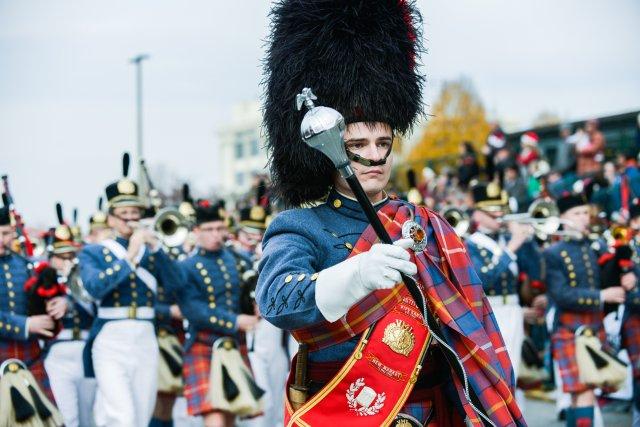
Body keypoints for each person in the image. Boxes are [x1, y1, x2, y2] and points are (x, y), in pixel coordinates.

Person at [257, 1, 524, 424]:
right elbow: (276, 302)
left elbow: (471, 319)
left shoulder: (426, 223)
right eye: (357, 147)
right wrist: (356, 274)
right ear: (328, 153)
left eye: (383, 144)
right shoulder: (300, 226)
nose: (374, 157)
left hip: (430, 406)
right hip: (345, 405)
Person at [78, 153, 181, 427]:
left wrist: (158, 249)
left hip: (146, 334)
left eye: (135, 214)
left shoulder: (152, 251)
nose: (131, 220)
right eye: (124, 215)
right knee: (120, 414)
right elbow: (93, 288)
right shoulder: (93, 252)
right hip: (111, 335)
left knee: (140, 412)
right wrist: (130, 256)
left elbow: (176, 285)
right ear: (110, 219)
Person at [544, 192, 632, 426]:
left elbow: (608, 277)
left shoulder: (597, 245)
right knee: (581, 392)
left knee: (583, 392)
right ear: (563, 217)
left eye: (585, 212)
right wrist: (600, 296)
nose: (583, 218)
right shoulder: (553, 253)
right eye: (576, 213)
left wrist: (623, 264)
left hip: (594, 324)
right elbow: (560, 294)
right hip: (569, 327)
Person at [178, 200, 259, 427]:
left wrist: (256, 305)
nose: (216, 235)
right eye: (209, 230)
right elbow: (193, 311)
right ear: (196, 231)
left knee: (230, 417)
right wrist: (235, 320)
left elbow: (249, 291)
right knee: (214, 419)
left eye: (219, 228)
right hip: (203, 345)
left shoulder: (238, 259)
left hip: (234, 344)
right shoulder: (187, 267)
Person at [465, 181, 541, 388]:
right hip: (490, 311)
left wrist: (530, 239)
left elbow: (535, 273)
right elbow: (483, 279)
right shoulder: (470, 244)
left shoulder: (508, 239)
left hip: (514, 309)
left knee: (513, 371)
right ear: (477, 215)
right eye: (492, 211)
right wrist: (513, 246)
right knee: (496, 374)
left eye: (502, 210)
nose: (499, 215)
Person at [0, 196, 64, 425]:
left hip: (30, 356)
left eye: (6, 233)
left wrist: (60, 304)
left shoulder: (27, 266)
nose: (1, 240)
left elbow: (48, 304)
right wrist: (25, 325)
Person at [43, 205, 96, 427]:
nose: (66, 261)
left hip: (86, 348)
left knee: (90, 417)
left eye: (71, 255)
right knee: (67, 417)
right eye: (60, 256)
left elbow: (95, 310)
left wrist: (72, 296)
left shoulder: (87, 279)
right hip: (57, 351)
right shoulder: (41, 281)